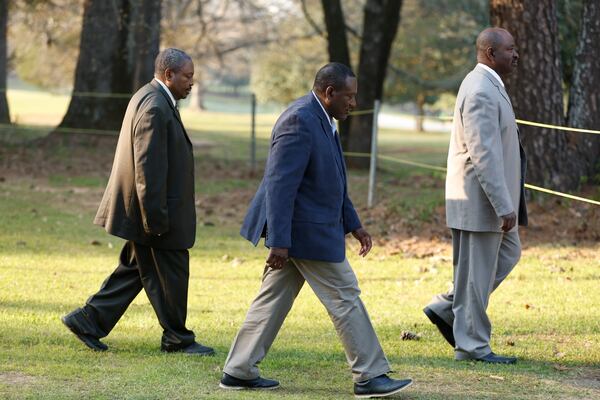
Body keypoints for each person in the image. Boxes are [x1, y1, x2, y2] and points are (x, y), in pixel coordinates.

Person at [219, 63, 412, 398]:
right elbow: (280, 186)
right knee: (345, 294)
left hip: (308, 230)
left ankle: (238, 370)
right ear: (329, 93)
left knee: (272, 299)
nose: (353, 102)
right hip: (302, 233)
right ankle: (369, 375)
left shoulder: (324, 120)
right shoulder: (299, 121)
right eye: (349, 97)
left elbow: (333, 180)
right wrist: (279, 241)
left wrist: (355, 224)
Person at [61, 48, 214, 356]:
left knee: (135, 270)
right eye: (188, 76)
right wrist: (155, 218)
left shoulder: (151, 97)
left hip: (146, 210)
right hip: (152, 212)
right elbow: (148, 169)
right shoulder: (155, 106)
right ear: (169, 75)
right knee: (172, 270)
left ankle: (88, 319)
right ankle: (177, 338)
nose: (192, 83)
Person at [423, 28, 528, 364]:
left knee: (505, 256)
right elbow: (483, 154)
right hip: (480, 201)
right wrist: (503, 204)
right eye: (510, 49)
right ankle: (473, 346)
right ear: (489, 51)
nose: (516, 54)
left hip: (487, 201)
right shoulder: (481, 89)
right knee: (477, 271)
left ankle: (449, 305)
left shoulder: (488, 83)